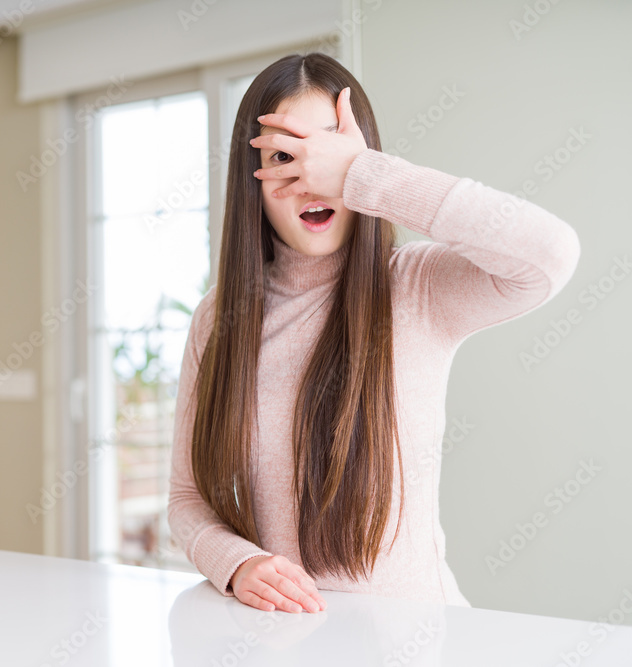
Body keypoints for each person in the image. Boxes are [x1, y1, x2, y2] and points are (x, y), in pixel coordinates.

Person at [165, 52, 580, 614]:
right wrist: (236, 564)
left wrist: (365, 176)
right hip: (285, 642)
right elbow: (188, 498)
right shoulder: (218, 318)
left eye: (327, 156)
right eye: (285, 158)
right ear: (252, 184)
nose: (312, 182)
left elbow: (550, 253)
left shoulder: (416, 285)